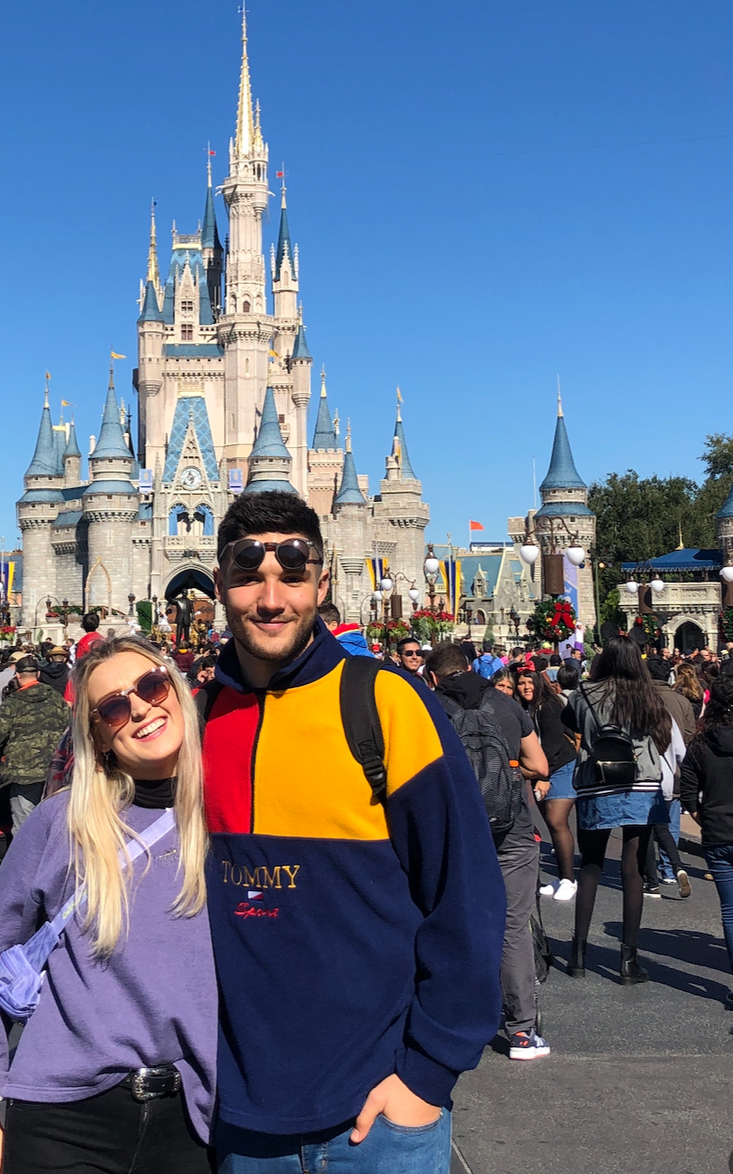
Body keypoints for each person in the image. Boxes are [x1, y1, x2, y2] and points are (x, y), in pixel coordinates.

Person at [203, 491, 504, 1172]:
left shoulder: (385, 702)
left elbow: (467, 894)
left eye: (293, 574)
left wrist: (426, 1075)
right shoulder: (199, 716)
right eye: (249, 575)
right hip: (242, 1119)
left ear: (322, 582)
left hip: (378, 1118)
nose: (271, 598)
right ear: (219, 585)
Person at [0, 636, 216, 1174]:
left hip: (199, 1114)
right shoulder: (61, 822)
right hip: (64, 1116)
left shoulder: (236, 814)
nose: (139, 709)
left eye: (151, 686)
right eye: (113, 707)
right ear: (97, 734)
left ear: (177, 689)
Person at [426, 642, 551, 1060]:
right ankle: (521, 1030)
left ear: (433, 677)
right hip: (512, 828)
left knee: (452, 921)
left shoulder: (429, 706)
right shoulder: (504, 704)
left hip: (457, 829)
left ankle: (454, 1018)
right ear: (469, 667)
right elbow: (540, 765)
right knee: (513, 926)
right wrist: (513, 770)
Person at [563, 636, 681, 983]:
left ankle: (578, 954)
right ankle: (628, 961)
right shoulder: (645, 695)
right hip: (639, 781)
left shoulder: (583, 693)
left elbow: (570, 721)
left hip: (596, 780)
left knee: (591, 864)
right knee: (633, 869)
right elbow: (660, 732)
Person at [680, 674, 733, 1004]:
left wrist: (704, 818)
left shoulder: (700, 744)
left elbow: (688, 792)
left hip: (717, 832)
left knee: (730, 911)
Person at [516, 668, 579, 901]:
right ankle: (561, 878)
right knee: (551, 824)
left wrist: (544, 777)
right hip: (541, 769)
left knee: (556, 821)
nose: (526, 687)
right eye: (521, 683)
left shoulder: (549, 706)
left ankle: (569, 880)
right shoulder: (528, 708)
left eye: (530, 682)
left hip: (560, 767)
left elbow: (553, 743)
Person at [0, 655, 70, 832]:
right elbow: (69, 727)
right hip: (54, 768)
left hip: (22, 770)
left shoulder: (12, 703)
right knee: (52, 819)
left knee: (23, 823)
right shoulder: (56, 698)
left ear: (18, 676)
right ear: (38, 674)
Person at [644, 656, 696, 895]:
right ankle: (672, 868)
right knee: (667, 825)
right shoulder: (678, 704)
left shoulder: (635, 706)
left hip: (641, 779)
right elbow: (683, 746)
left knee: (644, 830)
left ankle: (651, 878)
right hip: (668, 775)